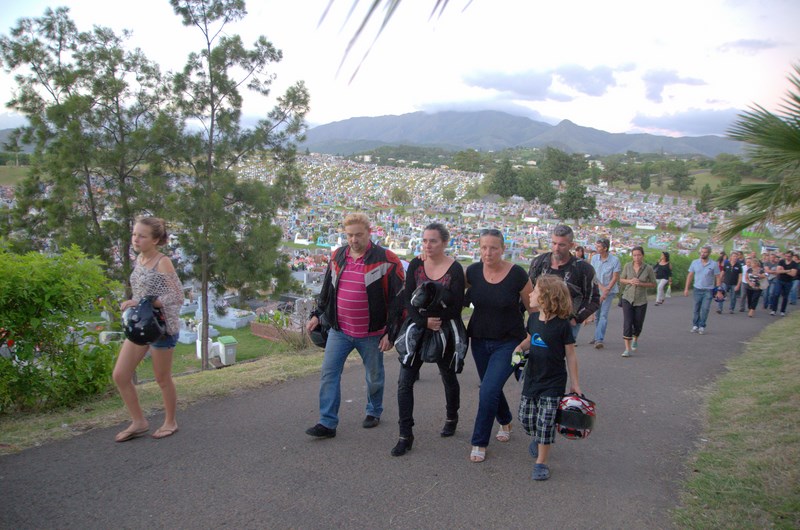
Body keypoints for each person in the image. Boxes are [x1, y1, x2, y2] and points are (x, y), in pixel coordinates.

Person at [305, 213, 405, 439]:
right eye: (349, 235)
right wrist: (317, 314)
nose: (353, 239)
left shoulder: (387, 259)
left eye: (358, 234)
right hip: (339, 330)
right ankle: (327, 422)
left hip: (372, 333)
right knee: (329, 373)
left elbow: (399, 300)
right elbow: (327, 290)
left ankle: (373, 410)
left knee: (374, 376)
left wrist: (390, 332)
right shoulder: (337, 256)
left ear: (370, 233)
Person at [392, 223, 465, 456]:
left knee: (448, 375)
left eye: (433, 240)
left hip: (444, 329)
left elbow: (456, 306)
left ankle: (452, 416)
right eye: (424, 240)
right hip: (419, 327)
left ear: (444, 242)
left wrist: (436, 320)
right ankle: (405, 434)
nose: (427, 245)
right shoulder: (416, 265)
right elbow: (408, 300)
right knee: (404, 382)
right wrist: (423, 322)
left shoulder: (454, 269)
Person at [113, 216, 183, 442]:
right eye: (134, 234)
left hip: (161, 326)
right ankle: (138, 421)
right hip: (141, 325)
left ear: (155, 240)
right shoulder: (140, 259)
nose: (136, 239)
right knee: (121, 375)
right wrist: (133, 302)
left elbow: (176, 295)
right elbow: (141, 291)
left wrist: (144, 302)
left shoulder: (162, 262)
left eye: (142, 236)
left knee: (162, 378)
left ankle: (170, 421)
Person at [466, 228, 534, 463]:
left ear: (503, 249)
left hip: (510, 343)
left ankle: (479, 441)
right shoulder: (473, 272)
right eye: (484, 247)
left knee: (487, 390)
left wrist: (531, 339)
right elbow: (450, 286)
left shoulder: (517, 275)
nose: (488, 252)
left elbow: (534, 308)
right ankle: (505, 420)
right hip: (479, 340)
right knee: (490, 387)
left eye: (493, 247)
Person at [515, 275, 581, 481]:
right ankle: (538, 437)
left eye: (534, 291)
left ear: (547, 297)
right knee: (525, 418)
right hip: (532, 378)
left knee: (545, 423)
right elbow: (529, 339)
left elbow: (571, 355)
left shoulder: (562, 325)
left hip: (553, 382)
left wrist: (575, 383)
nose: (530, 294)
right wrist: (519, 348)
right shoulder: (533, 319)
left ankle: (541, 463)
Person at [528, 225, 599, 342]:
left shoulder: (583, 269)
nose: (556, 248)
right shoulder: (539, 262)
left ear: (571, 245)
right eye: (554, 243)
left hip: (567, 322)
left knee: (559, 356)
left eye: (561, 245)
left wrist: (576, 319)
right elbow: (528, 290)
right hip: (539, 320)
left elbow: (593, 298)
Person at [618, 246, 657, 357]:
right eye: (634, 255)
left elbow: (653, 284)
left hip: (641, 299)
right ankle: (627, 348)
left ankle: (636, 337)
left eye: (638, 255)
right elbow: (621, 279)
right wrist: (630, 281)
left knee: (638, 323)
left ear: (642, 255)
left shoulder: (648, 268)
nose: (636, 257)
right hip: (627, 297)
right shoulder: (628, 266)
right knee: (627, 322)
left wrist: (641, 283)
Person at [589, 238, 621, 349]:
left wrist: (606, 290)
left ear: (605, 248)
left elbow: (615, 276)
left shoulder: (614, 260)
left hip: (609, 291)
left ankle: (599, 339)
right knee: (597, 315)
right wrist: (601, 288)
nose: (596, 248)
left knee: (603, 314)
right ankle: (597, 335)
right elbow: (593, 275)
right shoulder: (594, 259)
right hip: (597, 290)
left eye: (598, 247)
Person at [684, 245, 721, 335]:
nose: (703, 254)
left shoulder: (713, 264)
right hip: (697, 289)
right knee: (696, 308)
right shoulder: (695, 262)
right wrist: (686, 288)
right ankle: (695, 325)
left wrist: (719, 290)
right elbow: (690, 275)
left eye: (705, 252)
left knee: (705, 308)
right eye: (702, 252)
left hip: (708, 290)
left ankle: (702, 326)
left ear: (709, 253)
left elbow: (718, 277)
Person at [770, 250, 798, 316]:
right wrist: (788, 270)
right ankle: (774, 310)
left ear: (791, 257)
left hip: (788, 281)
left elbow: (793, 274)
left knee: (785, 296)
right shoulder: (781, 261)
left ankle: (782, 311)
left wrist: (783, 270)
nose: (787, 257)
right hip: (780, 280)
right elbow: (778, 271)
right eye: (786, 256)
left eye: (789, 256)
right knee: (776, 294)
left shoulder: (794, 264)